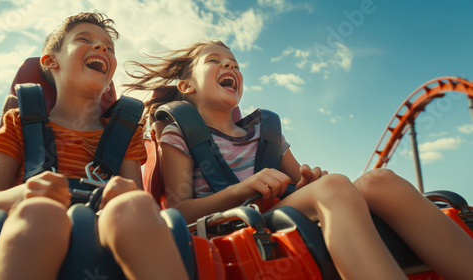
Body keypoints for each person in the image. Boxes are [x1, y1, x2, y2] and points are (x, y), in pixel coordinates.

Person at [125, 39, 473, 280]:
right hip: (229, 222)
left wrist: (309, 180)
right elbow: (178, 210)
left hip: (282, 209)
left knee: (379, 180)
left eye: (234, 62)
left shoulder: (268, 131)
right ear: (187, 86)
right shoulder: (178, 131)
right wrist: (243, 189)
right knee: (336, 187)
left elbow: (306, 186)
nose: (229, 64)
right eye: (214, 60)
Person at [0, 12, 188, 280]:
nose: (101, 47)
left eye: (108, 47)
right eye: (84, 40)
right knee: (41, 213)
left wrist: (126, 192)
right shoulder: (19, 123)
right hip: (29, 224)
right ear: (51, 61)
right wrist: (21, 194)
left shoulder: (125, 134)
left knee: (135, 206)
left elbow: (135, 196)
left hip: (108, 234)